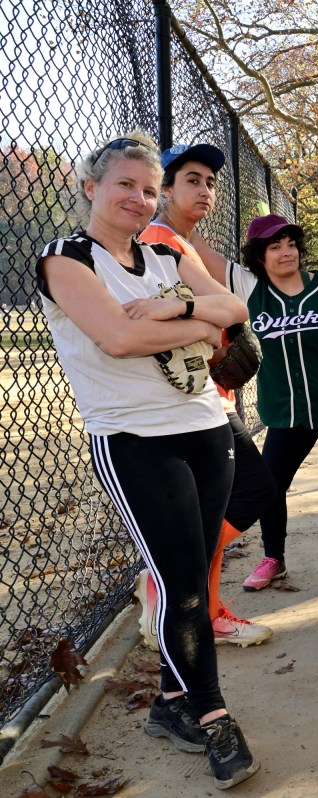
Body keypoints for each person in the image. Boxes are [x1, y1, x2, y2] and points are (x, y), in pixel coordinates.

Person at [36, 133, 259, 788]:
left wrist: (179, 304)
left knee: (197, 566)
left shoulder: (164, 249)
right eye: (125, 184)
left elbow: (235, 307)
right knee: (182, 580)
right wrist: (201, 322)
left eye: (148, 187)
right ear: (90, 188)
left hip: (204, 426)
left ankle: (169, 703)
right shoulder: (66, 259)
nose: (139, 198)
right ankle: (212, 714)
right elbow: (119, 335)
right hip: (133, 438)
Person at [135, 142, 273, 649]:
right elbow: (199, 317)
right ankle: (166, 581)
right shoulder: (157, 240)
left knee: (217, 509)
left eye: (211, 182)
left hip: (209, 397)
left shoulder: (183, 244)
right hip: (189, 402)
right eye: (192, 179)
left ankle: (205, 606)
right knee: (253, 491)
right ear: (165, 189)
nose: (205, 190)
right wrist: (218, 326)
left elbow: (228, 312)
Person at [207, 214, 318, 589]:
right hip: (287, 412)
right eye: (274, 246)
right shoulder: (250, 288)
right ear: (259, 256)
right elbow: (198, 255)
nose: (286, 252)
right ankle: (274, 559)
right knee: (270, 486)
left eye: (291, 244)